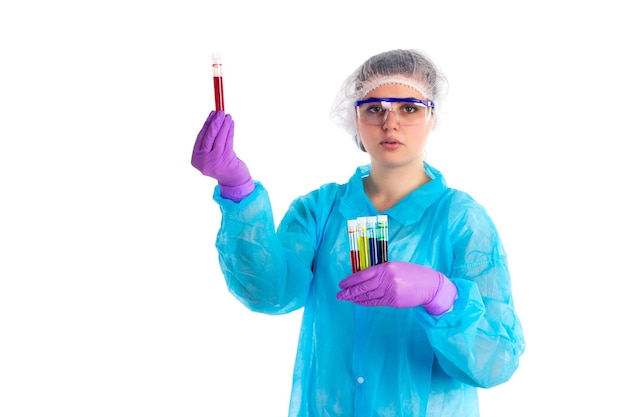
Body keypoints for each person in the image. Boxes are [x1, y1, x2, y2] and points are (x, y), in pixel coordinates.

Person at [191, 49, 525, 417]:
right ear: (356, 118)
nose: (390, 123)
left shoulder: (461, 221)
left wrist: (441, 295)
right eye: (374, 108)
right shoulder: (322, 210)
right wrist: (237, 188)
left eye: (409, 108)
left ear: (433, 116)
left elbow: (497, 360)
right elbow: (270, 292)